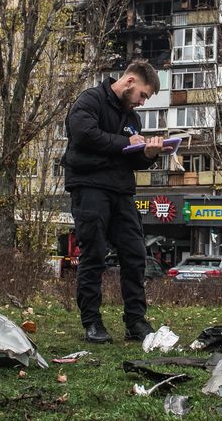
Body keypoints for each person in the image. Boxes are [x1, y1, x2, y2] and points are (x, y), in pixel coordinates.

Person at [62, 60, 164, 344]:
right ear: (130, 81)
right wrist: (125, 144)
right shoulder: (90, 100)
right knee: (93, 254)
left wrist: (148, 154)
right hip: (89, 185)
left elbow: (133, 159)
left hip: (121, 191)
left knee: (134, 253)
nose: (142, 102)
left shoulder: (132, 118)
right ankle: (92, 323)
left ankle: (135, 322)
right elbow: (84, 135)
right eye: (143, 95)